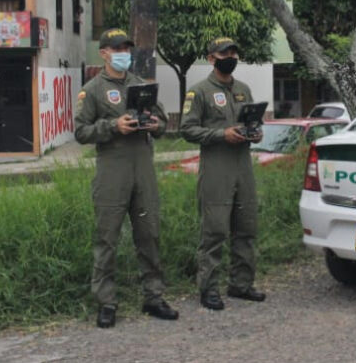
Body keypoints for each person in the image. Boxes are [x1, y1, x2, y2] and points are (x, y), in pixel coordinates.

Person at [74, 28, 178, 328]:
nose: (123, 53)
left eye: (126, 48)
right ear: (104, 53)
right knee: (107, 238)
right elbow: (81, 131)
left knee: (149, 234)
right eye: (117, 48)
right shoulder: (92, 89)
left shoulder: (141, 84)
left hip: (142, 169)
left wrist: (156, 123)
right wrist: (113, 125)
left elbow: (162, 125)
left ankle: (154, 297)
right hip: (112, 171)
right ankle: (106, 302)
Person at [181, 36, 267, 310]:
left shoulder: (243, 89)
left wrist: (255, 133)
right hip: (216, 167)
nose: (230, 57)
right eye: (223, 53)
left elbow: (252, 121)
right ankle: (209, 289)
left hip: (243, 166)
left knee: (246, 227)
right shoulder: (199, 92)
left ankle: (241, 284)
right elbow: (187, 129)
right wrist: (220, 134)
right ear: (211, 58)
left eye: (233, 52)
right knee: (215, 230)